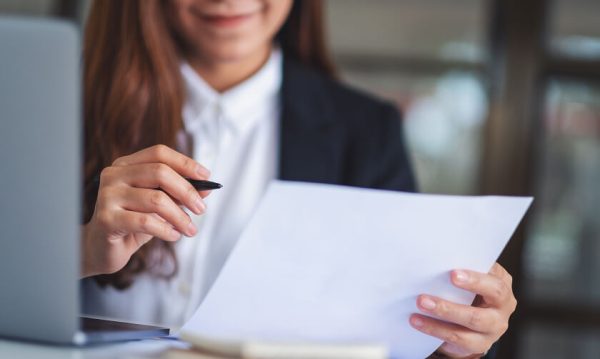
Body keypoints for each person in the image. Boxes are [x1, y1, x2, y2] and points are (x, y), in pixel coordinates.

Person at [80, 1, 517, 358]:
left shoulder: (367, 132)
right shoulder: (65, 110)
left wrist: (455, 339)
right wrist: (80, 252)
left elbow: (400, 332)